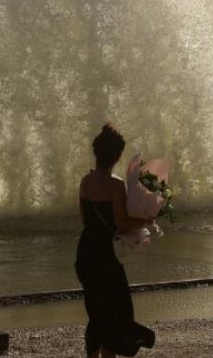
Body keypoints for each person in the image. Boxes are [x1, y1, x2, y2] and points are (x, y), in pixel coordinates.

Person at [75, 123, 156, 358]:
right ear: (117, 155)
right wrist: (145, 221)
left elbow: (85, 219)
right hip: (105, 257)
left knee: (96, 313)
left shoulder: (85, 182)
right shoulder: (115, 184)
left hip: (85, 253)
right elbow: (121, 223)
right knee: (117, 311)